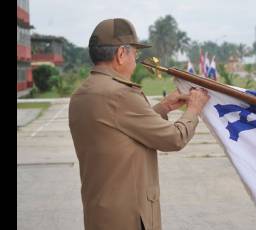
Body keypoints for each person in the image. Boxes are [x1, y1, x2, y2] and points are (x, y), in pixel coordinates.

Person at [68, 18, 210, 230]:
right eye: (135, 54)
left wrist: (163, 108)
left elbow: (120, 131)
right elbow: (174, 138)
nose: (136, 61)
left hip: (100, 214)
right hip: (128, 218)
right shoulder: (120, 94)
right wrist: (194, 109)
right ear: (121, 54)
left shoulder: (82, 93)